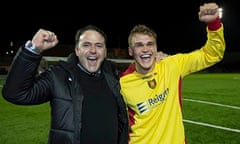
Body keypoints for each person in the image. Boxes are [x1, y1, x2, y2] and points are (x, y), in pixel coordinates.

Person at [2, 25, 129, 144]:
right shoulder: (58, 76)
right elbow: (15, 93)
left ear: (105, 51)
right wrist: (33, 49)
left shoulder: (111, 76)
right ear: (77, 50)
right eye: (86, 45)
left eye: (99, 45)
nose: (93, 50)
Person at [120, 2, 225, 144]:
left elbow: (211, 55)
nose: (145, 49)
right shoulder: (122, 83)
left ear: (156, 48)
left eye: (150, 44)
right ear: (131, 51)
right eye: (139, 45)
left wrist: (213, 24)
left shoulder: (172, 65)